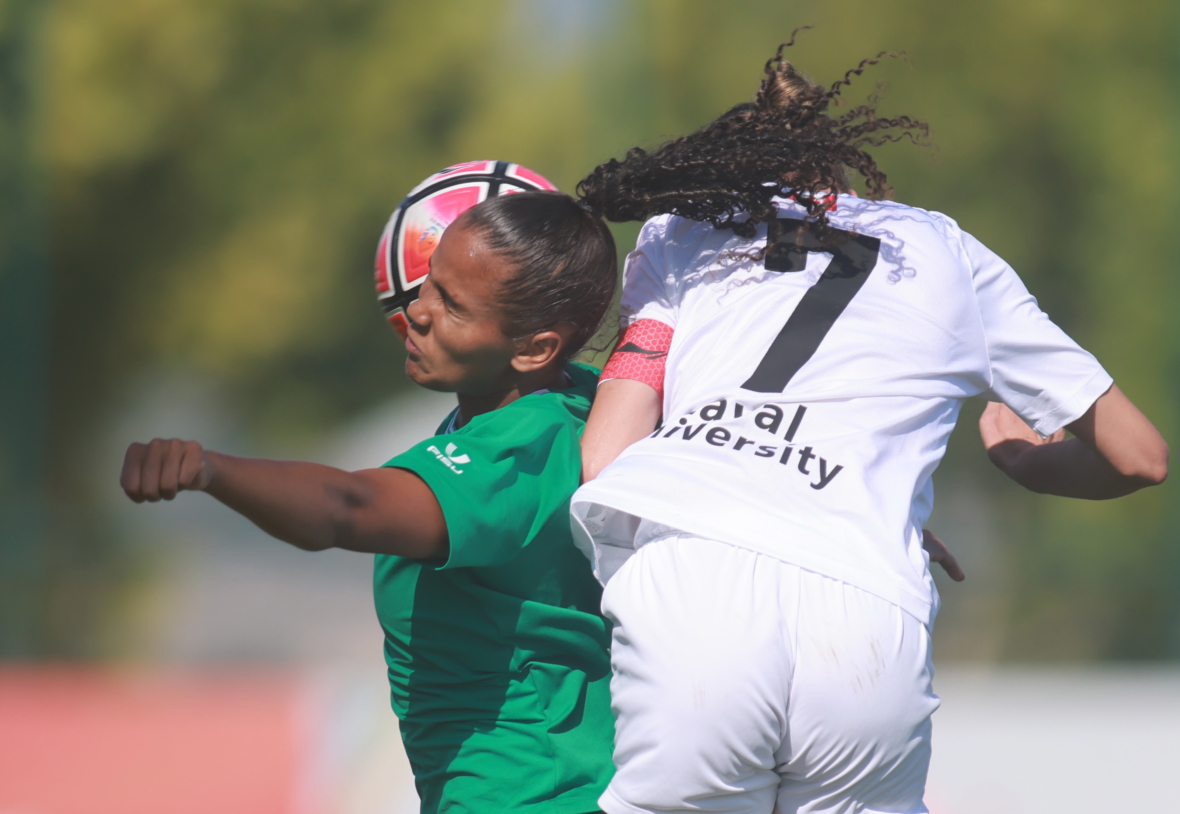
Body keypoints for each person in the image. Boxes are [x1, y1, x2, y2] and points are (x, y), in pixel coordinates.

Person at [569, 43, 1168, 814]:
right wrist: (1031, 465)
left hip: (696, 587)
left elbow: (606, 457)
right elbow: (1141, 456)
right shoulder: (947, 251)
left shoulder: (678, 235)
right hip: (863, 605)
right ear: (845, 173)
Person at [120, 190, 621, 814]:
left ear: (535, 349)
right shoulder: (579, 401)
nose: (418, 311)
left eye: (453, 305)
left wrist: (209, 469)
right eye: (430, 283)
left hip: (531, 798)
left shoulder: (517, 453)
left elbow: (348, 507)